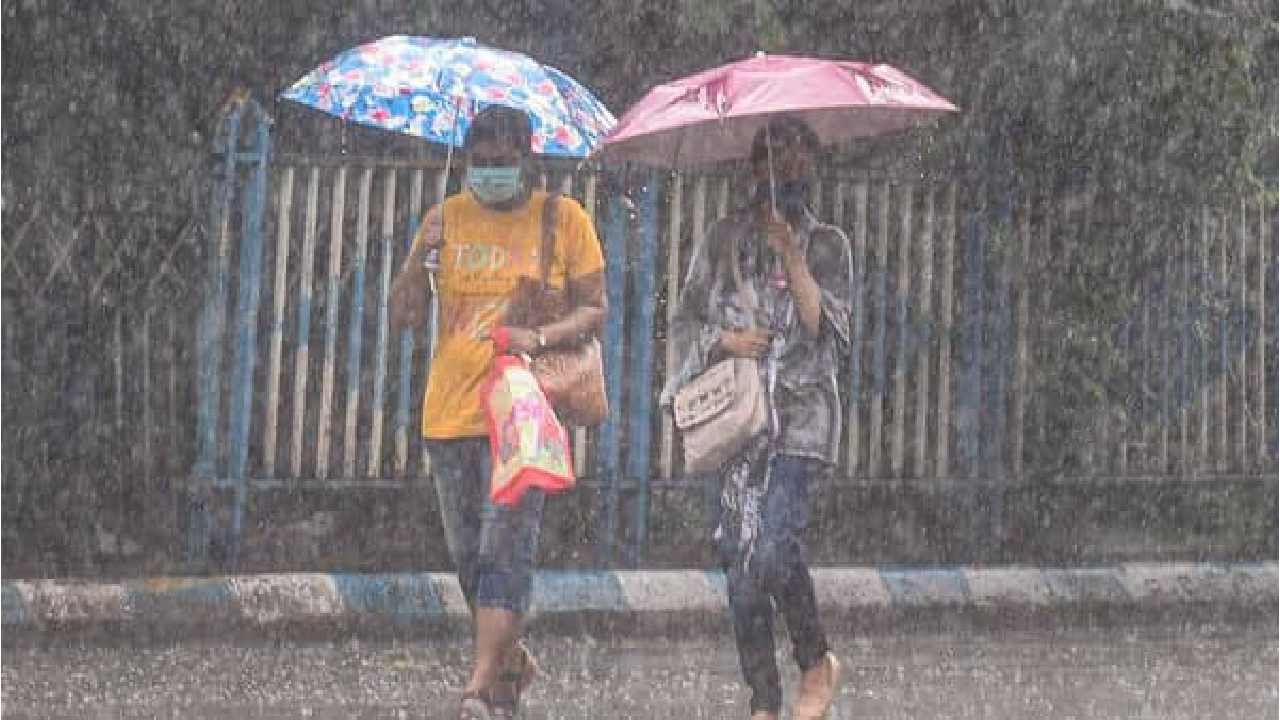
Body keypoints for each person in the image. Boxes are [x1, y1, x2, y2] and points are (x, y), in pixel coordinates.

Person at [389, 105, 606, 720]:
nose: (488, 173)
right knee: (468, 555)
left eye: (501, 162)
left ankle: (477, 689)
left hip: (522, 415)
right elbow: (403, 315)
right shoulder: (445, 219)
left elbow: (596, 308)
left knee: (506, 547)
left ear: (526, 160)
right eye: (479, 163)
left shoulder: (562, 220)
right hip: (449, 413)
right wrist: (417, 261)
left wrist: (539, 338)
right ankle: (509, 666)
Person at [662, 116, 852, 720]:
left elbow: (826, 327)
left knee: (774, 549)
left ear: (813, 164)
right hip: (738, 424)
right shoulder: (721, 240)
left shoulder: (828, 245)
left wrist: (791, 254)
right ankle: (763, 701)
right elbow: (687, 323)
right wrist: (724, 341)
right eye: (770, 156)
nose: (783, 168)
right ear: (752, 168)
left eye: (795, 156)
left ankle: (816, 660)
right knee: (740, 564)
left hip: (799, 420)